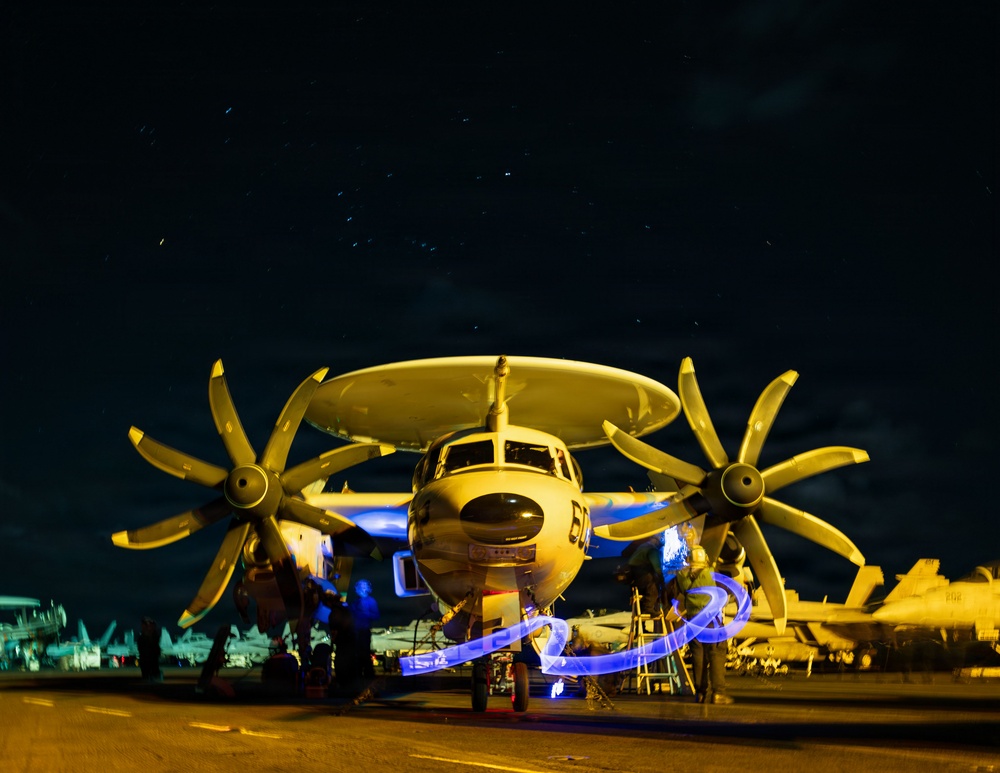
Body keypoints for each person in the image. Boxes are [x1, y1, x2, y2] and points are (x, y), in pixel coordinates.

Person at [668, 545, 734, 705]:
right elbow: (727, 593)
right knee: (716, 653)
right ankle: (718, 693)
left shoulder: (681, 576)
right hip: (712, 620)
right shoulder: (712, 575)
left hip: (692, 620)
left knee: (698, 655)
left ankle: (700, 693)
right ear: (704, 559)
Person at [628, 533, 665, 616]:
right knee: (654, 585)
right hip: (641, 575)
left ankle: (641, 627)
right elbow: (657, 568)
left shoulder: (643, 546)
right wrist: (662, 581)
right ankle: (649, 608)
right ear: (656, 540)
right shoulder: (652, 550)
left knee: (644, 593)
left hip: (634, 578)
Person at [349, 579, 380, 678]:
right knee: (356, 654)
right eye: (359, 586)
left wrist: (364, 613)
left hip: (364, 632)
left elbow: (376, 615)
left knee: (364, 654)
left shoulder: (371, 601)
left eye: (363, 586)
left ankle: (368, 675)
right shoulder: (355, 602)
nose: (361, 588)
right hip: (355, 632)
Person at [137, 616, 162, 682]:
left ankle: (152, 677)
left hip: (150, 653)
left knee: (151, 666)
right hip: (147, 653)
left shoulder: (151, 635)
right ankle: (150, 677)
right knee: (148, 666)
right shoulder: (146, 636)